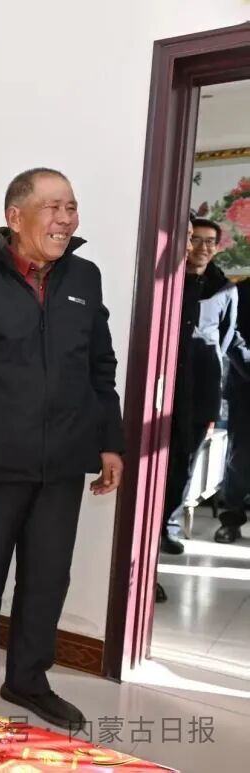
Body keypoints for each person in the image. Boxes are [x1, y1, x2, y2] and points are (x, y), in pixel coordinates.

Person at [0, 168, 124, 728]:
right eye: (53, 207)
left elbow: (100, 367)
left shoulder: (85, 277)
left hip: (64, 462)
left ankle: (29, 680)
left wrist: (109, 442)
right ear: (15, 216)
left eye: (71, 207)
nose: (66, 219)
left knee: (48, 577)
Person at [161, 218, 250, 553]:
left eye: (210, 241)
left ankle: (167, 526)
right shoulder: (168, 282)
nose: (202, 247)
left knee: (185, 462)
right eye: (195, 239)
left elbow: (226, 340)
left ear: (217, 246)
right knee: (156, 458)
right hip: (165, 385)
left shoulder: (225, 289)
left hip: (202, 388)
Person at [216, 272, 250, 543]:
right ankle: (231, 519)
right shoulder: (242, 291)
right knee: (241, 459)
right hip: (247, 386)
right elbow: (232, 335)